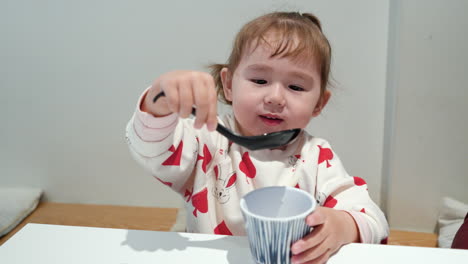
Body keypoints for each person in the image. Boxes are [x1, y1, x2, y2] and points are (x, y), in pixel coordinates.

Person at [126, 11, 389, 264]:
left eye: (295, 86)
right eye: (260, 80)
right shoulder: (207, 139)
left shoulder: (317, 156)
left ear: (319, 103)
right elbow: (155, 152)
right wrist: (159, 100)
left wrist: (344, 225)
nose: (275, 97)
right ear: (228, 84)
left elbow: (372, 218)